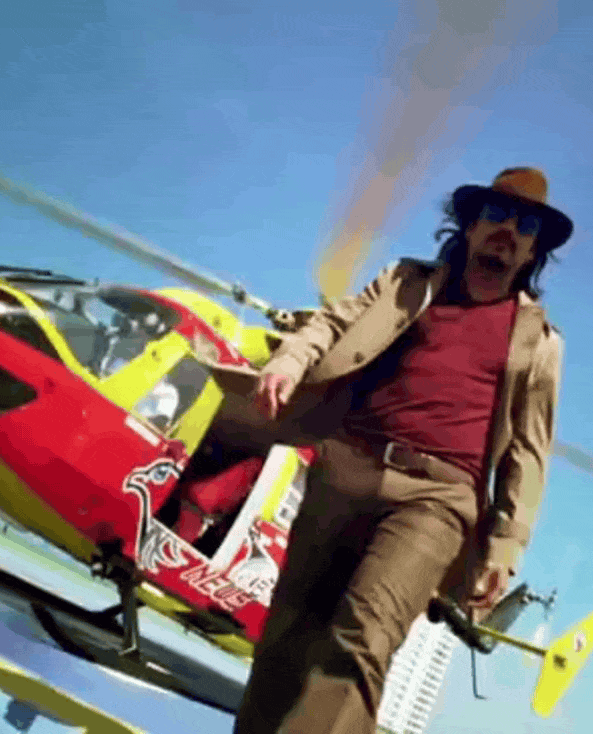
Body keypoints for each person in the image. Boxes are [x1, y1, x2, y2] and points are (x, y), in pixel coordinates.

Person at [221, 167, 573, 734]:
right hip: (346, 468)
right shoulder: (405, 284)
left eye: (526, 226)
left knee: (364, 638)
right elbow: (331, 324)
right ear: (471, 224)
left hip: (437, 499)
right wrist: (289, 361)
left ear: (534, 249)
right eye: (498, 215)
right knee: (290, 633)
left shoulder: (541, 343)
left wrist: (505, 548)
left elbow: (529, 455)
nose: (509, 231)